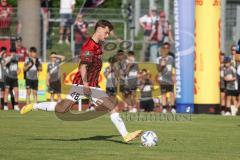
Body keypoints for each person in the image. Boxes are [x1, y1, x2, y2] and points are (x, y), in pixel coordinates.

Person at [21, 20, 142, 143]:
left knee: (107, 107)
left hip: (93, 85)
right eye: (106, 33)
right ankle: (34, 105)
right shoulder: (89, 46)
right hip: (83, 84)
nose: (107, 36)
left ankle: (126, 135)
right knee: (64, 109)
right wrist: (85, 85)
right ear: (99, 29)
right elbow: (83, 66)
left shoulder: (98, 45)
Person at [156, 42, 175, 114]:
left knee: (171, 93)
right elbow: (158, 69)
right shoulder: (158, 59)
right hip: (163, 78)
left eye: (167, 48)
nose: (166, 49)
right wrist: (162, 65)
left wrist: (174, 75)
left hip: (169, 78)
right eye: (164, 48)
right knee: (163, 93)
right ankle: (164, 108)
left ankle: (173, 108)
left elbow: (173, 67)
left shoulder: (171, 58)